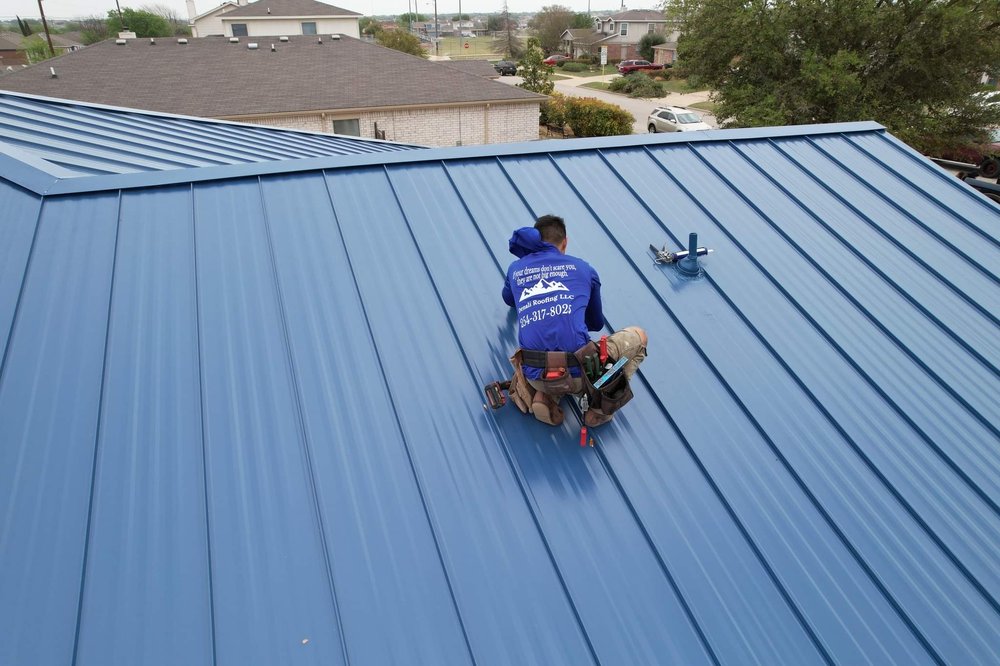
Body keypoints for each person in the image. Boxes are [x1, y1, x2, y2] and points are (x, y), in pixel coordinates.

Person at [502, 214, 647, 427]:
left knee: (548, 358)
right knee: (639, 336)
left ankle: (545, 395)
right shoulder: (584, 269)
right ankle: (599, 407)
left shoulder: (515, 269)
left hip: (534, 373)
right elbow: (595, 323)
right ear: (565, 242)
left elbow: (508, 299)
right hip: (582, 375)